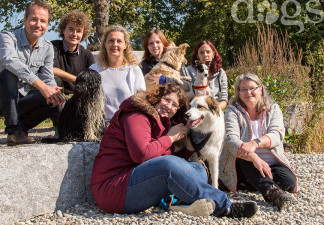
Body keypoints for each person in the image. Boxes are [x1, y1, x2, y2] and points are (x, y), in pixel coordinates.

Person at [91, 83, 258, 218]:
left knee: (197, 168)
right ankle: (225, 206)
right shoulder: (137, 115)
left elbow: (161, 160)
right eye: (166, 99)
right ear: (156, 97)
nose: (169, 106)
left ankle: (181, 205)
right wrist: (170, 138)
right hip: (113, 190)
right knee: (168, 166)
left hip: (134, 181)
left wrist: (186, 151)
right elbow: (142, 155)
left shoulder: (161, 124)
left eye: (174, 105)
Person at [0, 0, 65, 146]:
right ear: (25, 20)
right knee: (10, 73)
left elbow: (48, 77)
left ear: (47, 25)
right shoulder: (7, 37)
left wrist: (53, 93)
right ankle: (13, 131)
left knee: (58, 101)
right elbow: (10, 62)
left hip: (20, 98)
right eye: (34, 19)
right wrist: (42, 86)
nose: (38, 24)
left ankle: (20, 129)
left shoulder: (47, 47)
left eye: (43, 21)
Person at [220, 73, 298, 211]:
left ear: (260, 89)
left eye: (252, 88)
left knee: (289, 182)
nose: (248, 92)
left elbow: (277, 134)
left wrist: (255, 143)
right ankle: (273, 192)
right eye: (243, 89)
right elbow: (230, 138)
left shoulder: (273, 109)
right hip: (244, 161)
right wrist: (254, 156)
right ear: (238, 92)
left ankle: (249, 183)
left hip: (271, 163)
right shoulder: (232, 111)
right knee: (244, 152)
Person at [90, 25, 146, 124]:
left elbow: (141, 104)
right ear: (105, 44)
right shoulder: (94, 70)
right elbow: (89, 105)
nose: (114, 44)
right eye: (111, 40)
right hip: (102, 124)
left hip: (128, 123)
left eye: (119, 41)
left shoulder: (134, 70)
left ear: (126, 45)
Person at [51, 10, 96, 95]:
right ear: (63, 30)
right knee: (56, 80)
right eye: (71, 29)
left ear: (83, 33)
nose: (74, 34)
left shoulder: (86, 54)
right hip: (58, 95)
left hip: (79, 97)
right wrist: (77, 79)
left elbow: (93, 77)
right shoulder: (53, 47)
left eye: (79, 31)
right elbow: (51, 69)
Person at [140, 28, 192, 92]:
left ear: (163, 44)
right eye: (151, 43)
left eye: (158, 42)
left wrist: (165, 80)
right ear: (147, 47)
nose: (155, 46)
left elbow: (189, 86)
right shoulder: (142, 66)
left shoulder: (177, 62)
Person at [187, 40, 228, 109]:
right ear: (197, 56)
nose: (205, 55)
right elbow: (185, 98)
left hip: (214, 110)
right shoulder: (188, 71)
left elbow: (223, 100)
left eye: (208, 52)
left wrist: (212, 110)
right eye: (201, 52)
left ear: (213, 54)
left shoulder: (221, 73)